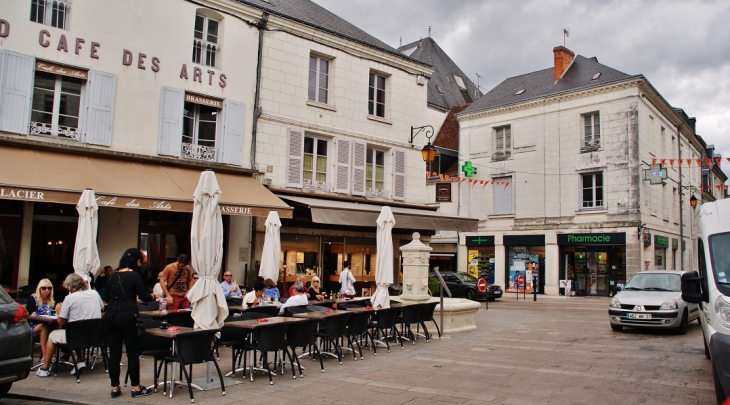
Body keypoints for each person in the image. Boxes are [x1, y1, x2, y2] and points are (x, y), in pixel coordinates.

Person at [103, 248, 157, 398]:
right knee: (132, 354)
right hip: (127, 318)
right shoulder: (134, 276)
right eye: (139, 260)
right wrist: (154, 295)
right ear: (134, 260)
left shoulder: (113, 276)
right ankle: (136, 387)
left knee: (114, 354)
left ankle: (115, 387)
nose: (140, 264)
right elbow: (144, 296)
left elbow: (106, 296)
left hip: (110, 318)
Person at [36, 274, 103, 378]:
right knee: (78, 327)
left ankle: (44, 368)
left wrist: (59, 311)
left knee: (52, 335)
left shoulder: (69, 298)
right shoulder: (94, 293)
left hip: (77, 337)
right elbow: (101, 308)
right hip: (95, 336)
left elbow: (60, 322)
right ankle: (80, 360)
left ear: (70, 286)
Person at [26, 278, 56, 365]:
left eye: (49, 288)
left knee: (54, 328)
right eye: (44, 288)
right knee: (44, 327)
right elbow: (28, 315)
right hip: (33, 326)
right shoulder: (33, 299)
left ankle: (51, 355)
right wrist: (32, 314)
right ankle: (45, 356)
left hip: (49, 324)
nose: (47, 291)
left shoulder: (51, 301)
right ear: (39, 289)